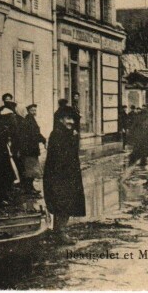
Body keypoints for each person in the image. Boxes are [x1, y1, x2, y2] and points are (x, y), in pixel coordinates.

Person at [44, 101, 86, 245]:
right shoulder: (58, 134)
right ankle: (61, 232)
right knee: (63, 203)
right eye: (68, 119)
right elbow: (60, 158)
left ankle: (58, 231)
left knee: (64, 203)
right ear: (61, 119)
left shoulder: (66, 133)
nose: (71, 122)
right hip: (60, 176)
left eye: (72, 119)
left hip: (67, 174)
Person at [14, 104, 47, 196]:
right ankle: (29, 189)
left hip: (31, 148)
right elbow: (35, 134)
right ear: (28, 111)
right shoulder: (28, 120)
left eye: (35, 110)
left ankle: (30, 188)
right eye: (32, 110)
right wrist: (43, 139)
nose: (34, 112)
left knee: (31, 170)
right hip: (29, 149)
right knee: (31, 170)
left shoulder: (29, 119)